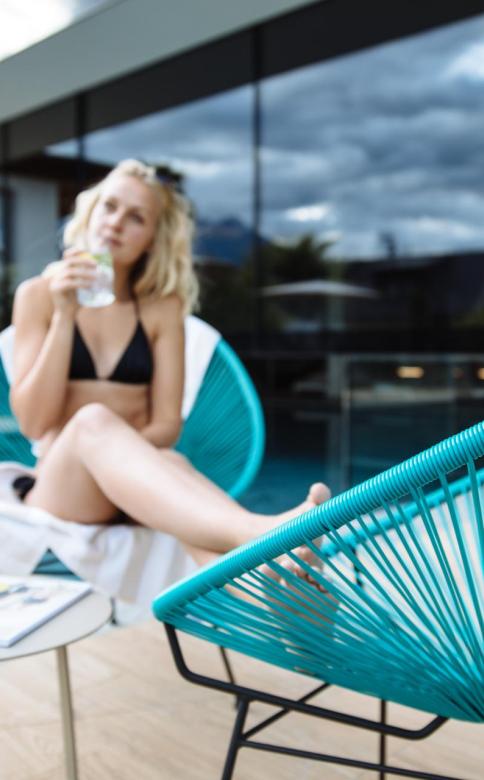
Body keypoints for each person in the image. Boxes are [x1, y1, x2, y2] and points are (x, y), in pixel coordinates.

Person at [9, 158, 329, 576]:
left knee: (173, 466)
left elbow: (166, 425)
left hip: (136, 486)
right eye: (109, 206)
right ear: (90, 212)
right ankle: (263, 531)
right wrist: (65, 315)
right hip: (63, 487)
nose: (116, 223)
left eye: (136, 217)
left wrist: (123, 462)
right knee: (93, 422)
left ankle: (275, 595)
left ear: (152, 240)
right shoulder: (37, 296)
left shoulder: (162, 311)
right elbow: (34, 423)